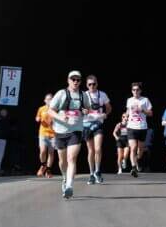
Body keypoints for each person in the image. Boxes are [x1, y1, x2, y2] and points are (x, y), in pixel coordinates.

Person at [48, 70, 87, 199]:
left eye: (78, 80)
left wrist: (86, 110)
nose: (75, 82)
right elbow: (50, 111)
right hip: (60, 131)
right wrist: (60, 117)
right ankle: (65, 178)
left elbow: (87, 108)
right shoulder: (61, 93)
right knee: (62, 161)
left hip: (76, 130)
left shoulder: (83, 95)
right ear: (68, 80)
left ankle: (69, 186)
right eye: (73, 79)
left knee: (71, 159)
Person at [83, 75, 111, 184]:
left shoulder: (102, 94)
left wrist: (105, 114)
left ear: (97, 84)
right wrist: (83, 111)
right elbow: (78, 107)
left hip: (98, 123)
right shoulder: (84, 95)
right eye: (89, 84)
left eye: (94, 84)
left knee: (98, 148)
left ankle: (98, 171)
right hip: (86, 124)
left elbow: (109, 107)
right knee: (91, 150)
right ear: (87, 85)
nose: (92, 86)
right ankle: (91, 173)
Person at [125, 82, 153, 178]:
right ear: (132, 91)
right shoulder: (129, 100)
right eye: (133, 90)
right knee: (132, 148)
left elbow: (150, 113)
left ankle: (138, 161)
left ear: (140, 90)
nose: (135, 91)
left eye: (137, 90)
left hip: (142, 127)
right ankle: (133, 168)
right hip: (131, 126)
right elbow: (127, 111)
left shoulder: (145, 100)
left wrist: (143, 110)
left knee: (140, 150)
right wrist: (125, 117)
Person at [36, 94, 56, 177]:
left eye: (51, 99)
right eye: (48, 99)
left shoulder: (56, 109)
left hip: (53, 134)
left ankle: (48, 170)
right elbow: (37, 117)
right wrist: (38, 119)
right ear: (45, 100)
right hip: (43, 133)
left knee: (51, 152)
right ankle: (43, 165)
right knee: (43, 151)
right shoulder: (41, 109)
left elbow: (59, 119)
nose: (49, 100)